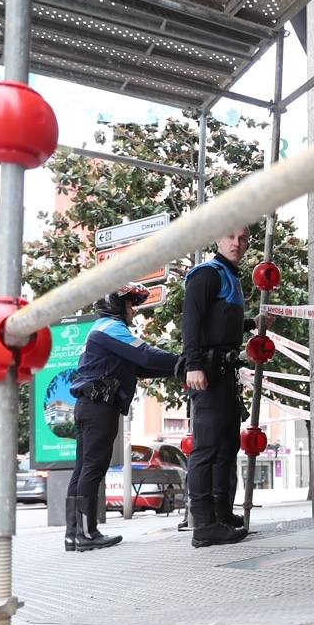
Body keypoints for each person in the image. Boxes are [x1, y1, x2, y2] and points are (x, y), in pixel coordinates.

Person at [65, 283, 180, 552]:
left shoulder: (101, 332)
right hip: (99, 408)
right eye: (130, 304)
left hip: (88, 406)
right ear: (116, 305)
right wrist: (186, 362)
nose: (133, 310)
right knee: (92, 468)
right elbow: (146, 354)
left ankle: (75, 534)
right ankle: (86, 534)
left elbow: (140, 367)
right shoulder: (110, 329)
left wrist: (177, 367)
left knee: (83, 468)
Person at [183, 227, 252, 548]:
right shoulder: (207, 274)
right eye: (230, 236)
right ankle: (204, 525)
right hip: (207, 372)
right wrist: (193, 363)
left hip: (225, 373)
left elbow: (220, 323)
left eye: (243, 238)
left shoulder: (231, 277)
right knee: (207, 448)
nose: (236, 243)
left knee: (227, 446)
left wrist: (252, 324)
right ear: (217, 239)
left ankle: (222, 515)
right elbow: (192, 321)